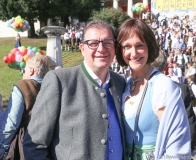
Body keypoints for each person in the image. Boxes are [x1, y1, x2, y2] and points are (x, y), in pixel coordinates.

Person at [23, 20, 126, 160]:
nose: (101, 49)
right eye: (93, 43)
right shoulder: (59, 81)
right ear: (82, 48)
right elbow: (34, 144)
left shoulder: (120, 83)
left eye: (108, 42)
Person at [116, 18, 191, 159]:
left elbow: (177, 143)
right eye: (127, 46)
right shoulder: (125, 84)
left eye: (139, 45)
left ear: (149, 47)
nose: (133, 53)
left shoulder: (162, 85)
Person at [0, 55, 49, 159]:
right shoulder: (52, 86)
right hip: (49, 145)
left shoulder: (23, 86)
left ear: (31, 70)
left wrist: (0, 148)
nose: (23, 74)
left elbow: (11, 123)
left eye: (24, 70)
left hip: (27, 145)